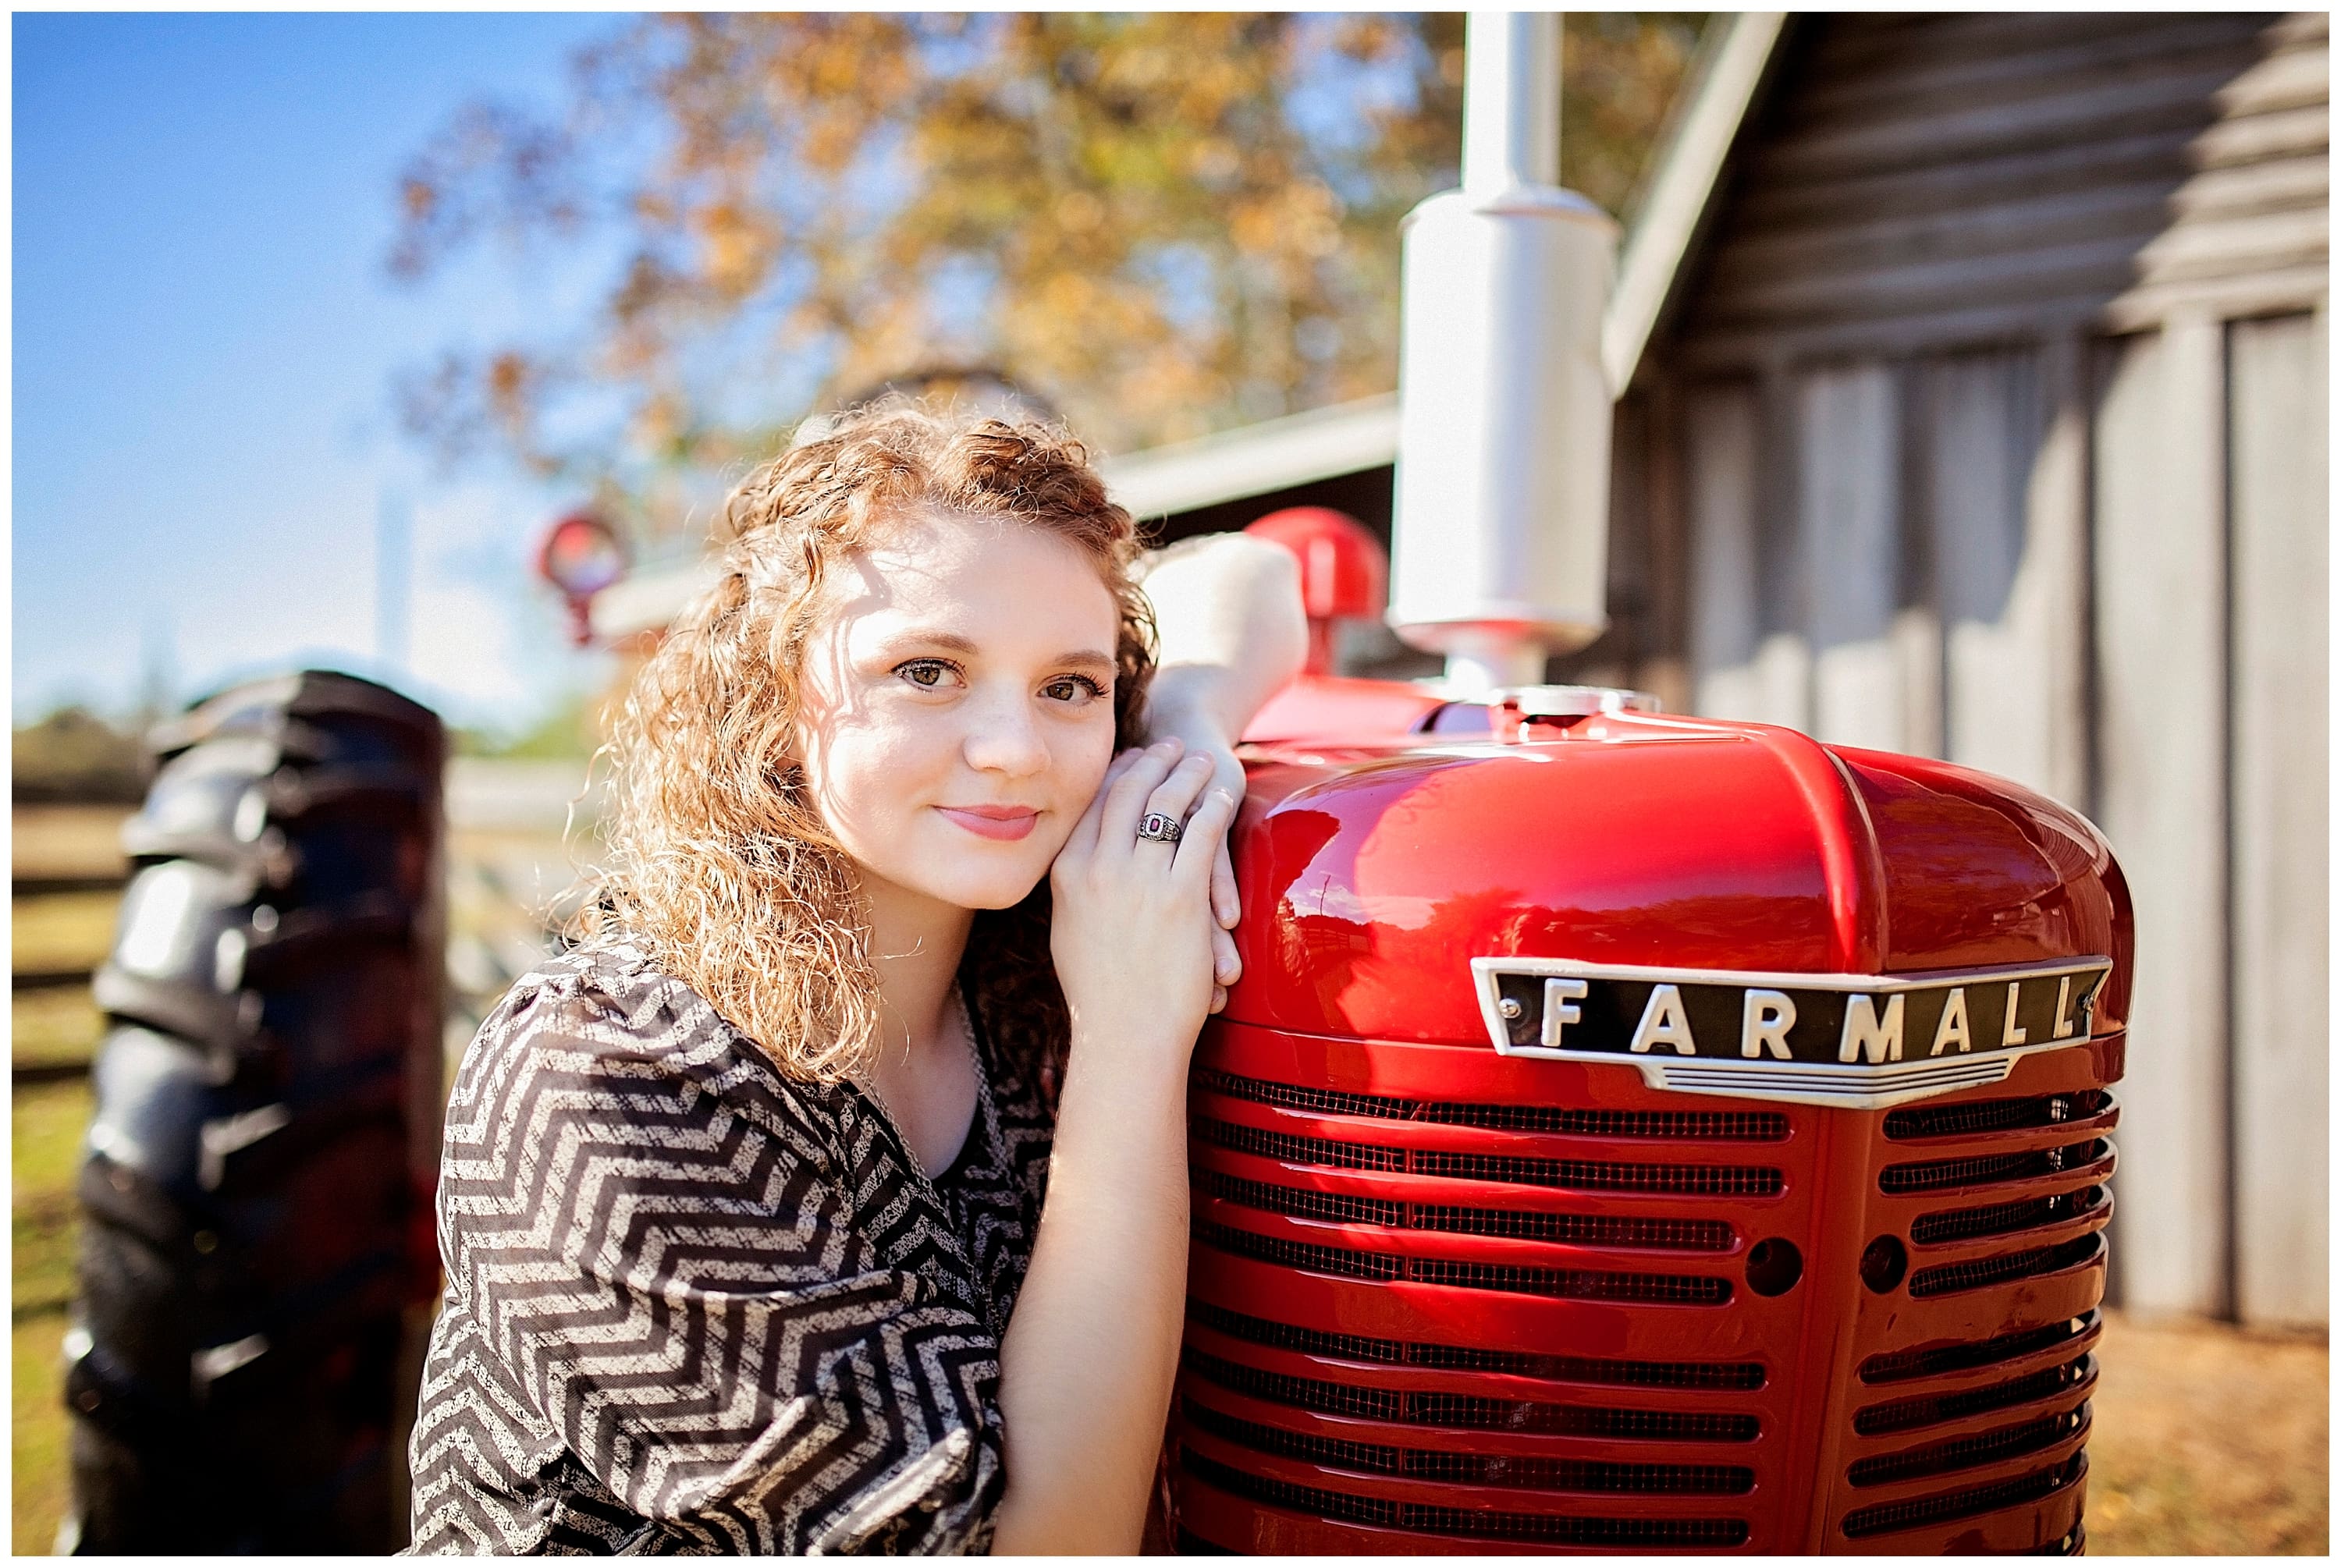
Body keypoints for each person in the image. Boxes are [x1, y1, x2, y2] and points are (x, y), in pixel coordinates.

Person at [405, 401, 1306, 1553]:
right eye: (926, 669)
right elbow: (1040, 1550)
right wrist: (1133, 1034)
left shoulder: (1015, 989)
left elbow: (1254, 573)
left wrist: (1185, 725)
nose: (1017, 749)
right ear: (777, 696)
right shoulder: (612, 1078)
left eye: (1069, 685)